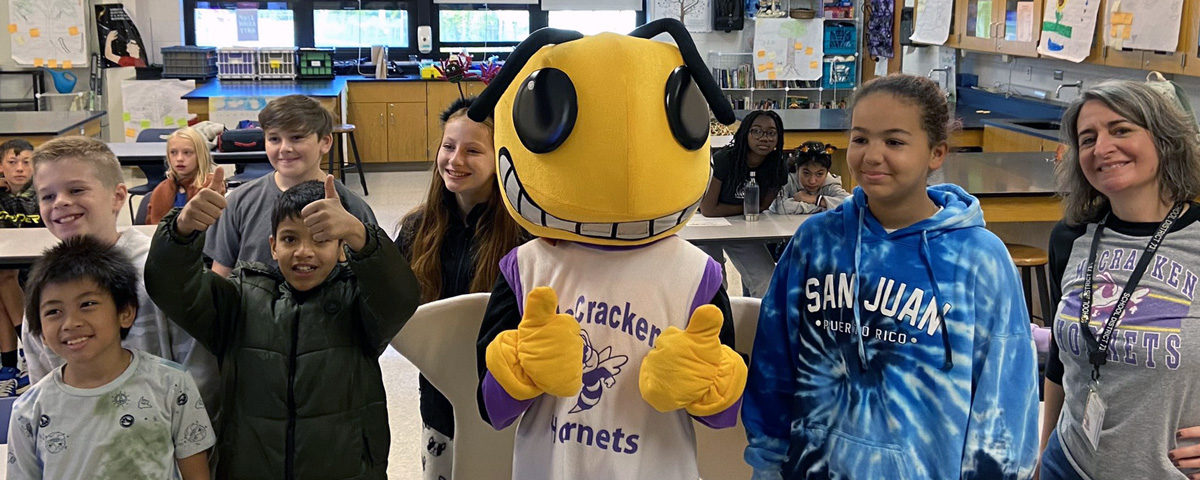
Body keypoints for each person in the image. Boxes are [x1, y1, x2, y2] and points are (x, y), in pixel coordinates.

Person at [743, 74, 1039, 479]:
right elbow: (775, 359)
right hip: (815, 468)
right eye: (861, 138)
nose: (871, 155)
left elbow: (1003, 397)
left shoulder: (979, 259)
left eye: (894, 142)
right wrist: (767, 460)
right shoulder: (817, 240)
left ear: (936, 153)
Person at [145, 175, 420, 479]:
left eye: (321, 239)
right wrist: (182, 231)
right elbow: (170, 286)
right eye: (290, 239)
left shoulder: (358, 301)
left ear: (342, 249)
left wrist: (360, 234)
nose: (304, 251)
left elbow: (401, 297)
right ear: (273, 246)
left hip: (346, 468)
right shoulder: (239, 299)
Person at [1039, 80, 1200, 480]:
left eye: (1121, 129)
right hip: (1069, 464)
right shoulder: (1071, 237)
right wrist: (1043, 456)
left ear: (1164, 139)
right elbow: (1062, 361)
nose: (1102, 148)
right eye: (1088, 138)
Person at [21, 136, 219, 417]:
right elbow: (41, 387)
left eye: (76, 190)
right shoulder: (44, 286)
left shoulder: (163, 271)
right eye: (47, 196)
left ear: (117, 197)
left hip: (163, 445)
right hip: (80, 447)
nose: (61, 202)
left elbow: (201, 374)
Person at [394, 96, 527, 480]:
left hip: (508, 404)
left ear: (501, 157)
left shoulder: (524, 237)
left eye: (473, 151)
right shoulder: (418, 229)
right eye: (448, 147)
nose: (455, 161)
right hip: (439, 403)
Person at [8, 235, 214, 479]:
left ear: (125, 312)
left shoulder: (172, 386)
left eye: (87, 304)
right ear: (40, 332)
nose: (71, 323)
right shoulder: (29, 411)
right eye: (53, 311)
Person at [205, 94, 377, 277]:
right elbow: (221, 275)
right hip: (250, 305)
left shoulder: (351, 207)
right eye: (274, 139)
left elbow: (374, 276)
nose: (284, 148)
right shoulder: (239, 202)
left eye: (296, 137)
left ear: (325, 142)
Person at [698, 110, 788, 297]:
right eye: (756, 131)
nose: (764, 138)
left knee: (766, 280)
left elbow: (763, 206)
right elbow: (708, 209)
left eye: (771, 133)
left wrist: (747, 210)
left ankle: (756, 323)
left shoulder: (778, 166)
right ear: (745, 133)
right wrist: (748, 207)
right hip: (706, 227)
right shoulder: (724, 159)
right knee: (715, 284)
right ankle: (720, 324)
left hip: (741, 226)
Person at [0, 139, 37, 395]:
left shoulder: (42, 190)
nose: (19, 169)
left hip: (38, 263)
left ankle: (29, 351)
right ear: (1, 166)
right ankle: (12, 368)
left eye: (26, 162)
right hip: (9, 264)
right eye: (12, 163)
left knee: (4, 278)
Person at [145, 127, 216, 225]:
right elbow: (151, 227)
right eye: (173, 152)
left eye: (187, 152)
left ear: (200, 155)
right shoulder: (161, 190)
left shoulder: (210, 185)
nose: (179, 158)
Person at [769, 141, 850, 215]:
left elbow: (849, 204)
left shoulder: (830, 183)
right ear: (797, 168)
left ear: (827, 172)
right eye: (806, 173)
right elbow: (781, 207)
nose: (812, 181)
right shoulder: (787, 180)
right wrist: (823, 207)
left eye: (819, 174)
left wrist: (815, 199)